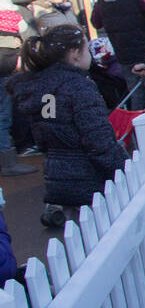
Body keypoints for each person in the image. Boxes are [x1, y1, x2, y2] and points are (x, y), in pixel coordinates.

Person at [7, 25, 126, 228]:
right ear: (74, 54)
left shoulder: (46, 90)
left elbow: (46, 128)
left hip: (59, 172)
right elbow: (97, 140)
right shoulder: (79, 87)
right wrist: (122, 168)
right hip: (89, 174)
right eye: (87, 49)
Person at [0, 0, 37, 176]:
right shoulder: (8, 12)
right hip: (8, 64)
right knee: (4, 112)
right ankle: (9, 161)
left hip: (9, 62)